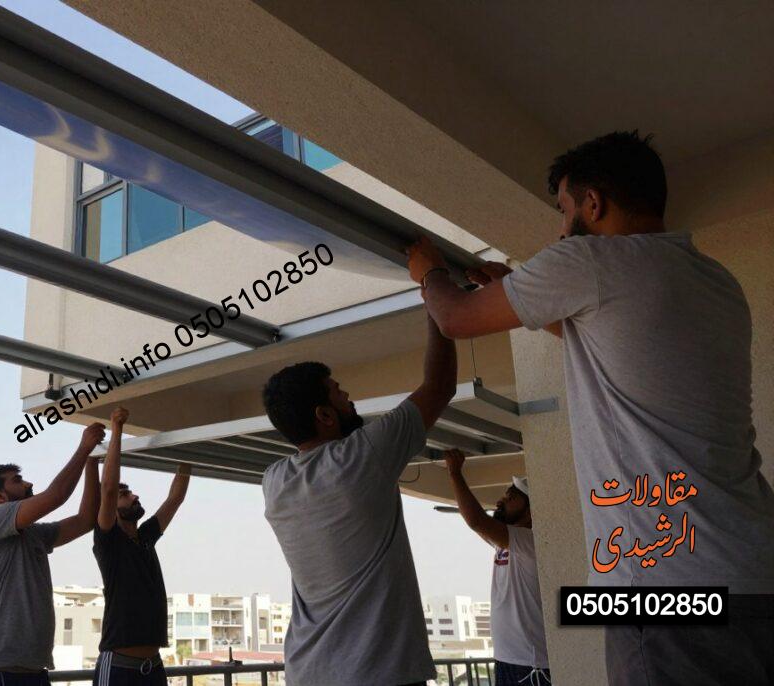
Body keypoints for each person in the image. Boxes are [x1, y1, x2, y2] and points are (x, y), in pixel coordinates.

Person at [406, 130, 774, 685]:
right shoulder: (715, 281)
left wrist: (428, 271)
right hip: (754, 574)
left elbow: (455, 317)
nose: (561, 228)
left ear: (593, 203)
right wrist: (518, 291)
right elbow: (612, 343)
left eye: (564, 209)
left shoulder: (589, 259)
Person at [261, 315, 457, 686]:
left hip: (308, 673)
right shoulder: (359, 456)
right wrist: (437, 301)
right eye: (338, 392)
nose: (349, 397)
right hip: (377, 673)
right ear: (324, 414)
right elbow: (440, 385)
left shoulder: (274, 481)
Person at [0, 423, 105, 686]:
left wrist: (91, 462)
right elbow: (56, 496)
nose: (29, 483)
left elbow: (86, 520)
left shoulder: (33, 534)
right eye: (17, 481)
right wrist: (84, 448)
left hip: (32, 670)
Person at [92, 406, 190, 685]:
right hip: (118, 667)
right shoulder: (109, 540)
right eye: (125, 494)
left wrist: (189, 446)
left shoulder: (145, 536)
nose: (134, 496)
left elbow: (175, 498)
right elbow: (108, 489)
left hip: (153, 666)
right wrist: (117, 428)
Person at [443, 449, 550, 685]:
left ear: (530, 511)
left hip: (531, 665)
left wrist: (455, 474)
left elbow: (477, 521)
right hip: (508, 660)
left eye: (511, 498)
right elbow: (479, 525)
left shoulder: (531, 541)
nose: (501, 501)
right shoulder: (507, 543)